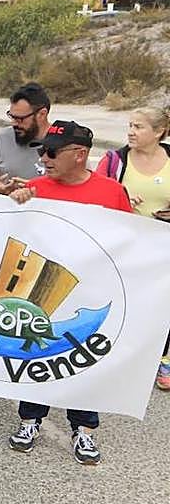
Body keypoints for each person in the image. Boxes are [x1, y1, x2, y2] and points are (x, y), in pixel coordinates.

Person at [9, 121, 132, 465]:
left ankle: (84, 429)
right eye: (41, 151)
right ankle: (30, 420)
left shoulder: (110, 192)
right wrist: (13, 204)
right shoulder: (33, 188)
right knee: (39, 357)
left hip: (91, 294)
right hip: (42, 294)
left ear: (79, 155)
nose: (43, 158)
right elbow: (8, 236)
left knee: (83, 362)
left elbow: (132, 242)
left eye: (51, 152)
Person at [97, 106, 170, 391]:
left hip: (164, 245)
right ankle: (119, 357)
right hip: (126, 246)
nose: (130, 131)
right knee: (127, 301)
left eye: (138, 127)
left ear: (159, 132)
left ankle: (164, 358)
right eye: (130, 125)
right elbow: (96, 193)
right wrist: (121, 199)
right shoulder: (115, 160)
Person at [0, 82, 51, 194]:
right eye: (12, 116)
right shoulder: (4, 137)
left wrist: (35, 190)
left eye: (20, 119)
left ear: (42, 114)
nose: (14, 123)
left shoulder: (65, 143)